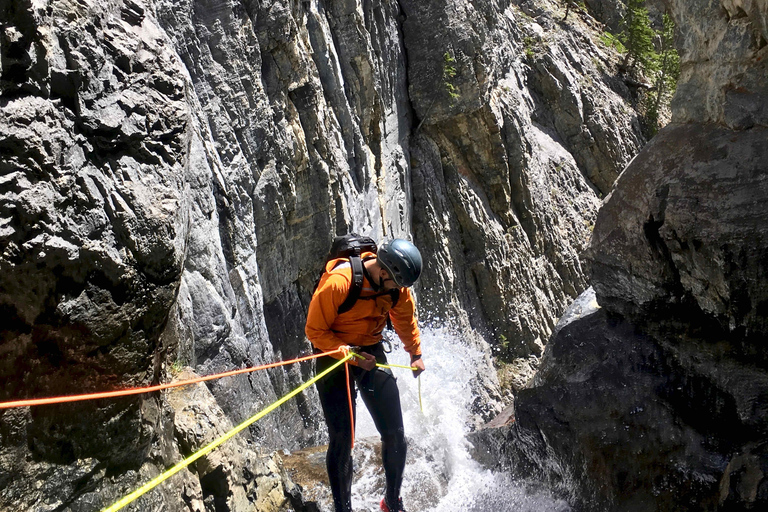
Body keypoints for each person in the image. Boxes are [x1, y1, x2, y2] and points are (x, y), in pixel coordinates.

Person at [305, 238, 425, 512]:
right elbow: (314, 331)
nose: (400, 290)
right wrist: (349, 354)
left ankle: (392, 501)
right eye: (397, 284)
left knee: (395, 433)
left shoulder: (396, 288)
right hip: (333, 355)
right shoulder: (339, 281)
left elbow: (404, 319)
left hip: (370, 350)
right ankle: (343, 508)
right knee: (343, 438)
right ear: (384, 273)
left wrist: (415, 354)